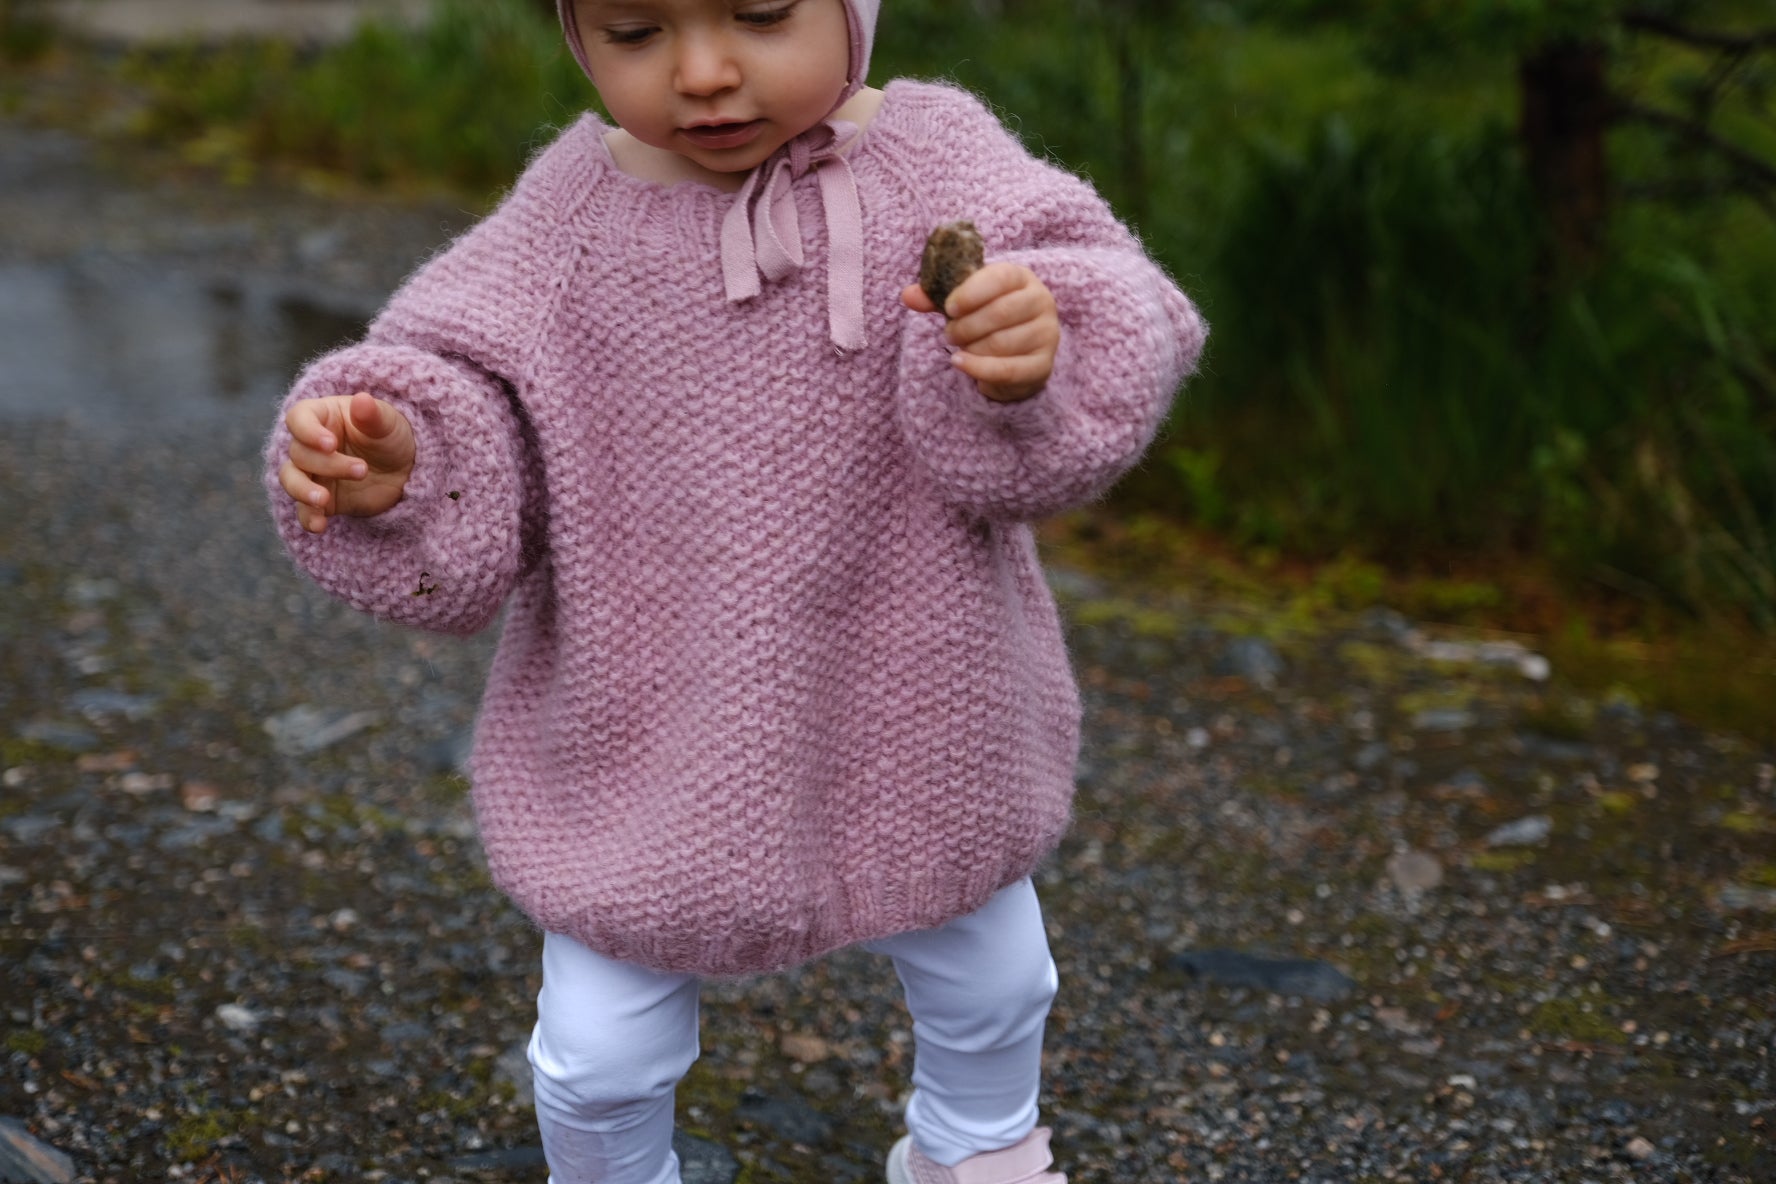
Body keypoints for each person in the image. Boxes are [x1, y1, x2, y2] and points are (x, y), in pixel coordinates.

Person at [266, 1, 1206, 1181]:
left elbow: (1118, 297)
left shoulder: (939, 158)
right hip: (649, 719)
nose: (704, 71)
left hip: (920, 696)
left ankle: (973, 1153)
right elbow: (467, 401)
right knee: (599, 1050)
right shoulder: (569, 217)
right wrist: (403, 459)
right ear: (577, 34)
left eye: (760, 13)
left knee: (998, 979)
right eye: (634, 31)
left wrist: (1034, 343)